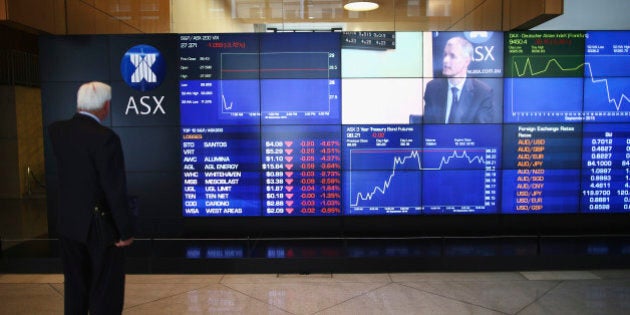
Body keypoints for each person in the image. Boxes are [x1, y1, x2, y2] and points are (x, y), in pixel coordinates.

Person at [48, 81, 135, 314]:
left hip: (68, 225)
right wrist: (125, 231)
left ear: (79, 104)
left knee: (75, 288)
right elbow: (113, 189)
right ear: (105, 107)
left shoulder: (57, 131)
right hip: (100, 229)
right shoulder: (106, 138)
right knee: (105, 291)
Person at [422, 36, 498, 124]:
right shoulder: (432, 88)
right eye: (445, 55)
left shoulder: (483, 93)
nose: (445, 60)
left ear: (466, 62)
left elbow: (481, 133)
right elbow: (428, 127)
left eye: (452, 56)